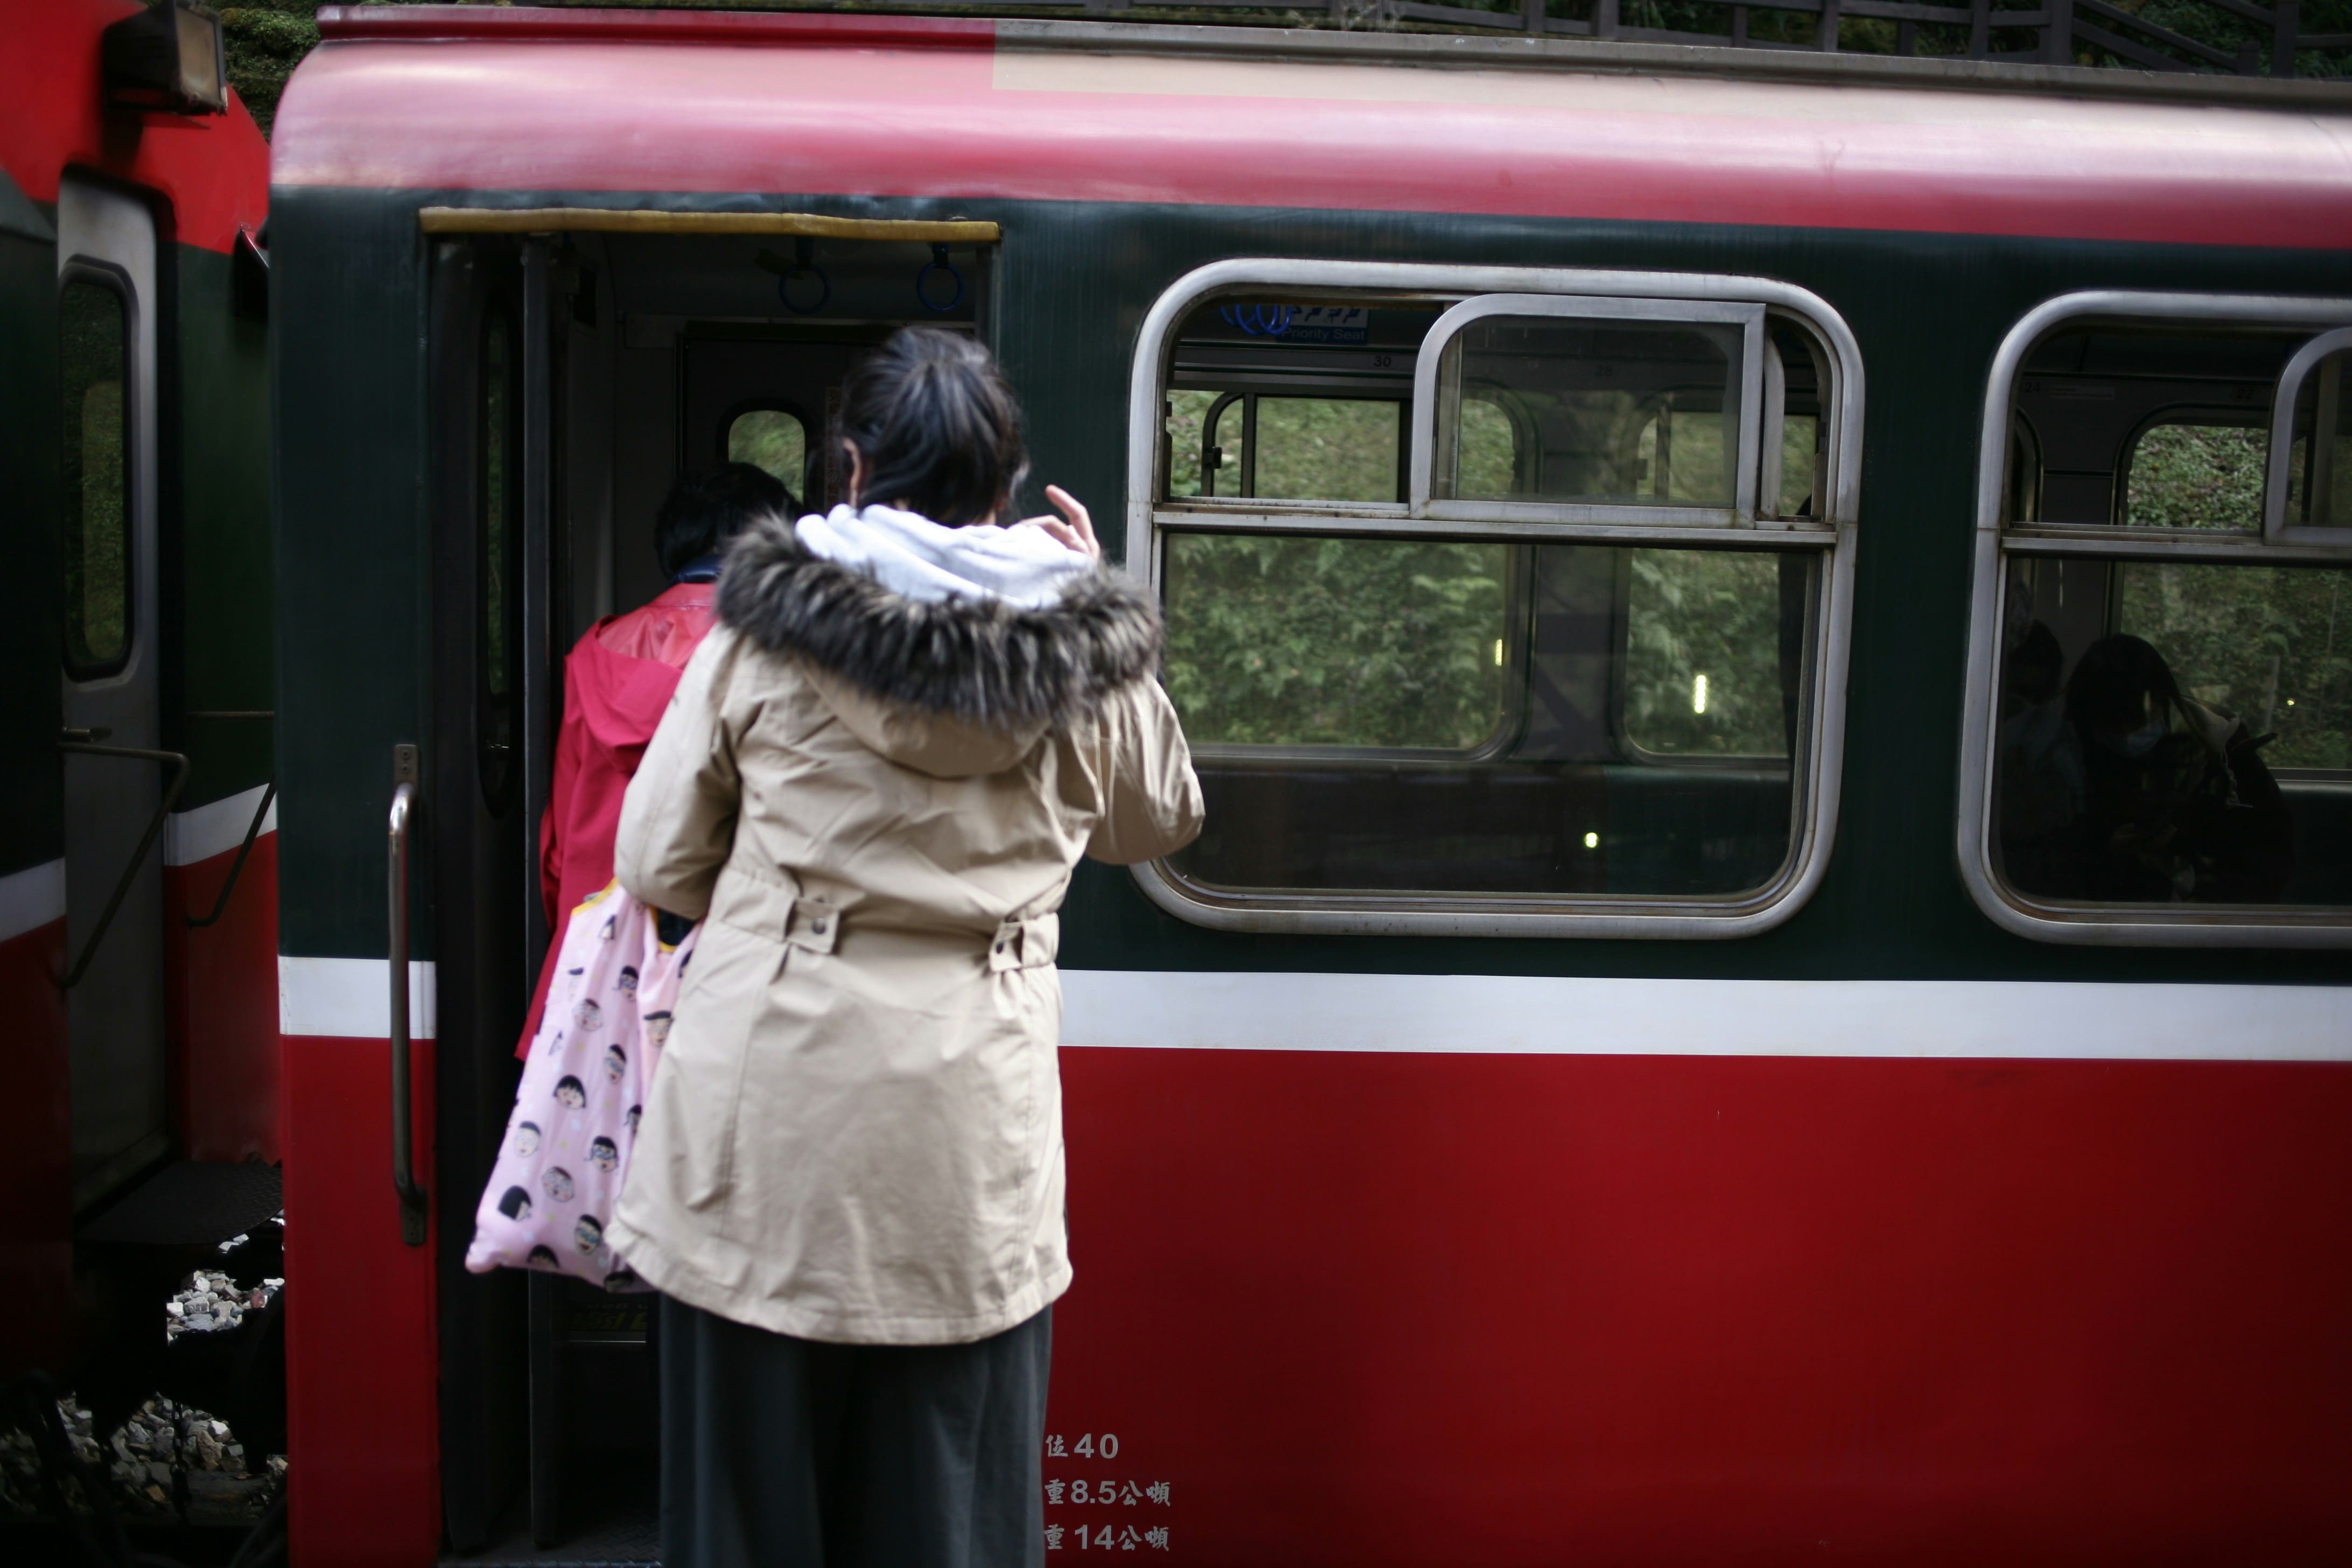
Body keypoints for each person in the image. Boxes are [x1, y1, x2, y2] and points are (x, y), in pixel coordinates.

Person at [606, 327, 1202, 1566]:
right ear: (1009, 484)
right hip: (965, 1155)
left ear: (853, 464)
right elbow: (1158, 819)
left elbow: (658, 860)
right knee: (948, 1523)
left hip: (761, 1144)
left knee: (747, 1526)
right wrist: (1106, 611)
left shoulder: (762, 632)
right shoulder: (1080, 653)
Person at [515, 462, 792, 1057]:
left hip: (603, 966)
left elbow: (559, 846)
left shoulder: (593, 654)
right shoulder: (785, 656)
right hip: (738, 968)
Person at [2062, 633, 2293, 903]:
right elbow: (2048, 863)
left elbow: (2272, 852)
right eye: (2110, 721)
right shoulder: (2065, 756)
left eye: (2137, 716)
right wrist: (2107, 853)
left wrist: (2191, 838)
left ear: (2164, 701)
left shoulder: (2219, 746)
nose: (2126, 734)